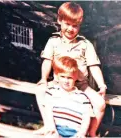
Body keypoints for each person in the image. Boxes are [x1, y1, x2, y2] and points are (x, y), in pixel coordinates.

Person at [38, 2, 107, 136]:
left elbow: (94, 66)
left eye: (74, 26)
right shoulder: (53, 42)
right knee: (40, 90)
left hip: (80, 85)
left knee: (100, 104)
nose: (70, 29)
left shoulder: (85, 44)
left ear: (79, 26)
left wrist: (102, 85)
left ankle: (91, 132)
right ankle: (48, 126)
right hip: (59, 84)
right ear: (60, 21)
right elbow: (47, 61)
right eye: (67, 24)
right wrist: (43, 78)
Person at [35, 56, 92, 137]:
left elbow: (86, 117)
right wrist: (52, 127)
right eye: (62, 77)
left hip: (75, 131)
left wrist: (82, 133)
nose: (66, 81)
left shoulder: (82, 97)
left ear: (75, 77)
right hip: (57, 129)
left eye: (69, 78)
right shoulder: (52, 92)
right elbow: (48, 111)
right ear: (57, 76)